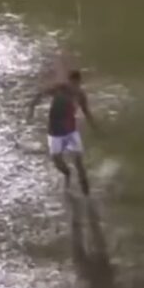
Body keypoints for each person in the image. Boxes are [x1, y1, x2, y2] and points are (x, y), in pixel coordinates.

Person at [27, 65, 98, 196]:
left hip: (71, 131)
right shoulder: (59, 89)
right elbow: (41, 94)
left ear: (78, 82)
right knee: (57, 160)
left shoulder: (80, 95)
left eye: (76, 84)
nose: (74, 86)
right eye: (72, 83)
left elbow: (86, 112)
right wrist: (32, 108)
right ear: (69, 81)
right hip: (54, 131)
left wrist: (95, 128)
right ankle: (67, 174)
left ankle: (86, 193)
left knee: (78, 162)